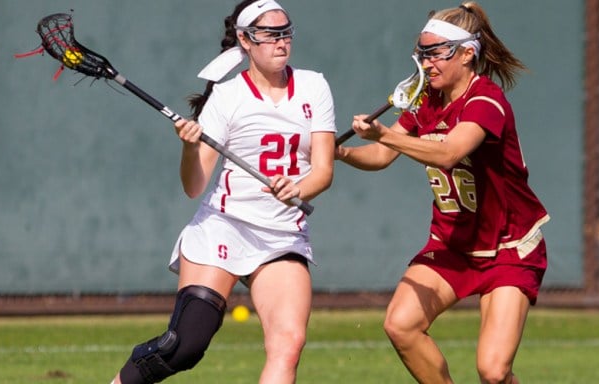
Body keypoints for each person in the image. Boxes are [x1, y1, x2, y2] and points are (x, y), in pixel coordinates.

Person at [111, 0, 336, 383]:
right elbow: (194, 186)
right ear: (245, 40)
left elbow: (324, 171)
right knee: (184, 345)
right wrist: (188, 146)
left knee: (288, 343)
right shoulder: (227, 97)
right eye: (270, 35)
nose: (282, 42)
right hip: (225, 227)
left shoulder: (314, 86)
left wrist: (296, 186)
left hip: (282, 237)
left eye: (287, 33)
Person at [336, 2, 549, 383]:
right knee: (401, 325)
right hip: (453, 244)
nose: (426, 63)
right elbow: (382, 155)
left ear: (468, 54)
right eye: (422, 53)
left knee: (494, 372)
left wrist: (384, 133)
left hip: (508, 247)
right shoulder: (424, 100)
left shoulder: (486, 101)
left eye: (436, 53)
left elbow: (450, 152)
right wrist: (340, 153)